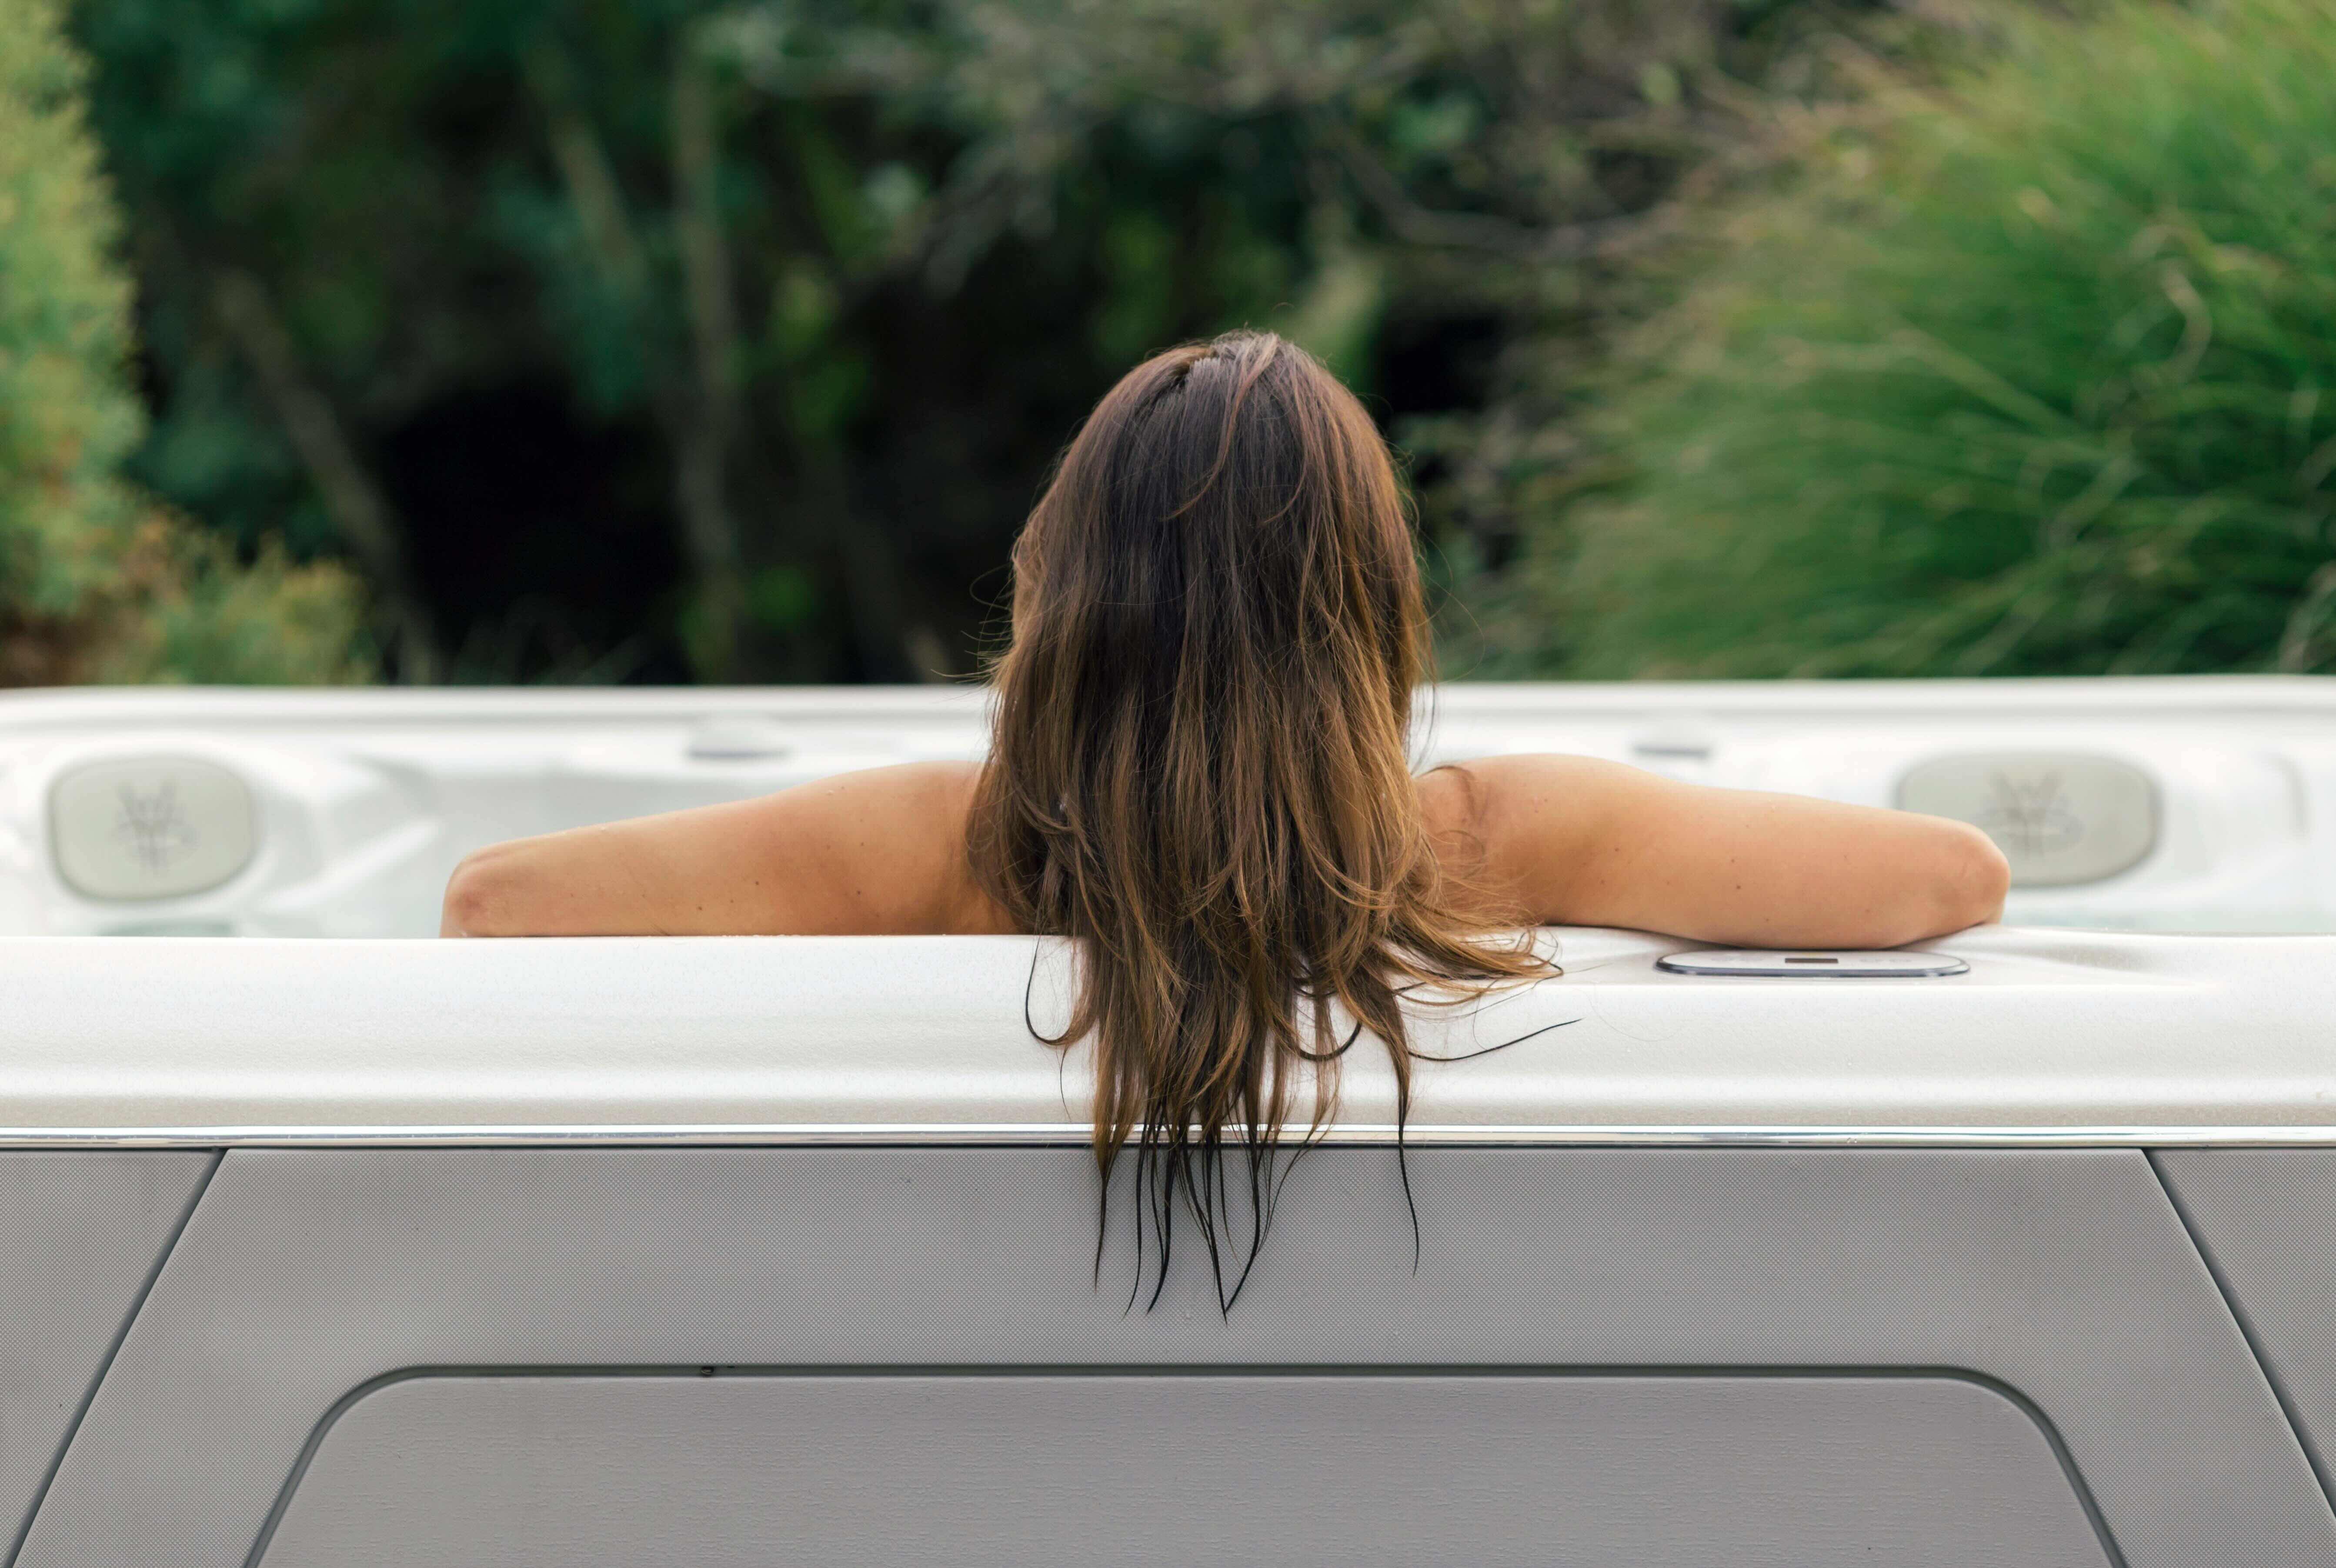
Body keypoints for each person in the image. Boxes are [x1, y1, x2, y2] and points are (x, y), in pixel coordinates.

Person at [442, 330, 2008, 1302]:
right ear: (1370, 614)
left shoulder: (960, 846)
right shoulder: (1480, 841)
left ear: (1064, 584)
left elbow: (495, 909)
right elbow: (1947, 878)